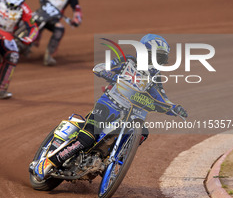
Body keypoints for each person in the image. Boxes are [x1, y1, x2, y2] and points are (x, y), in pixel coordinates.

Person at [33, 34, 188, 180]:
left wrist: (174, 108)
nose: (156, 61)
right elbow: (102, 67)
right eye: (155, 56)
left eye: (160, 58)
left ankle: (115, 159)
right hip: (108, 104)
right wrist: (109, 74)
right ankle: (48, 162)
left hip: (129, 113)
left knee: (144, 132)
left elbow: (161, 97)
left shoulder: (154, 77)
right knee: (87, 138)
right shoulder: (128, 61)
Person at [30, 0, 82, 66]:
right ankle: (23, 42)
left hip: (53, 19)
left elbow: (76, 9)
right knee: (27, 18)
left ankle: (49, 56)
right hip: (41, 13)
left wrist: (76, 19)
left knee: (60, 29)